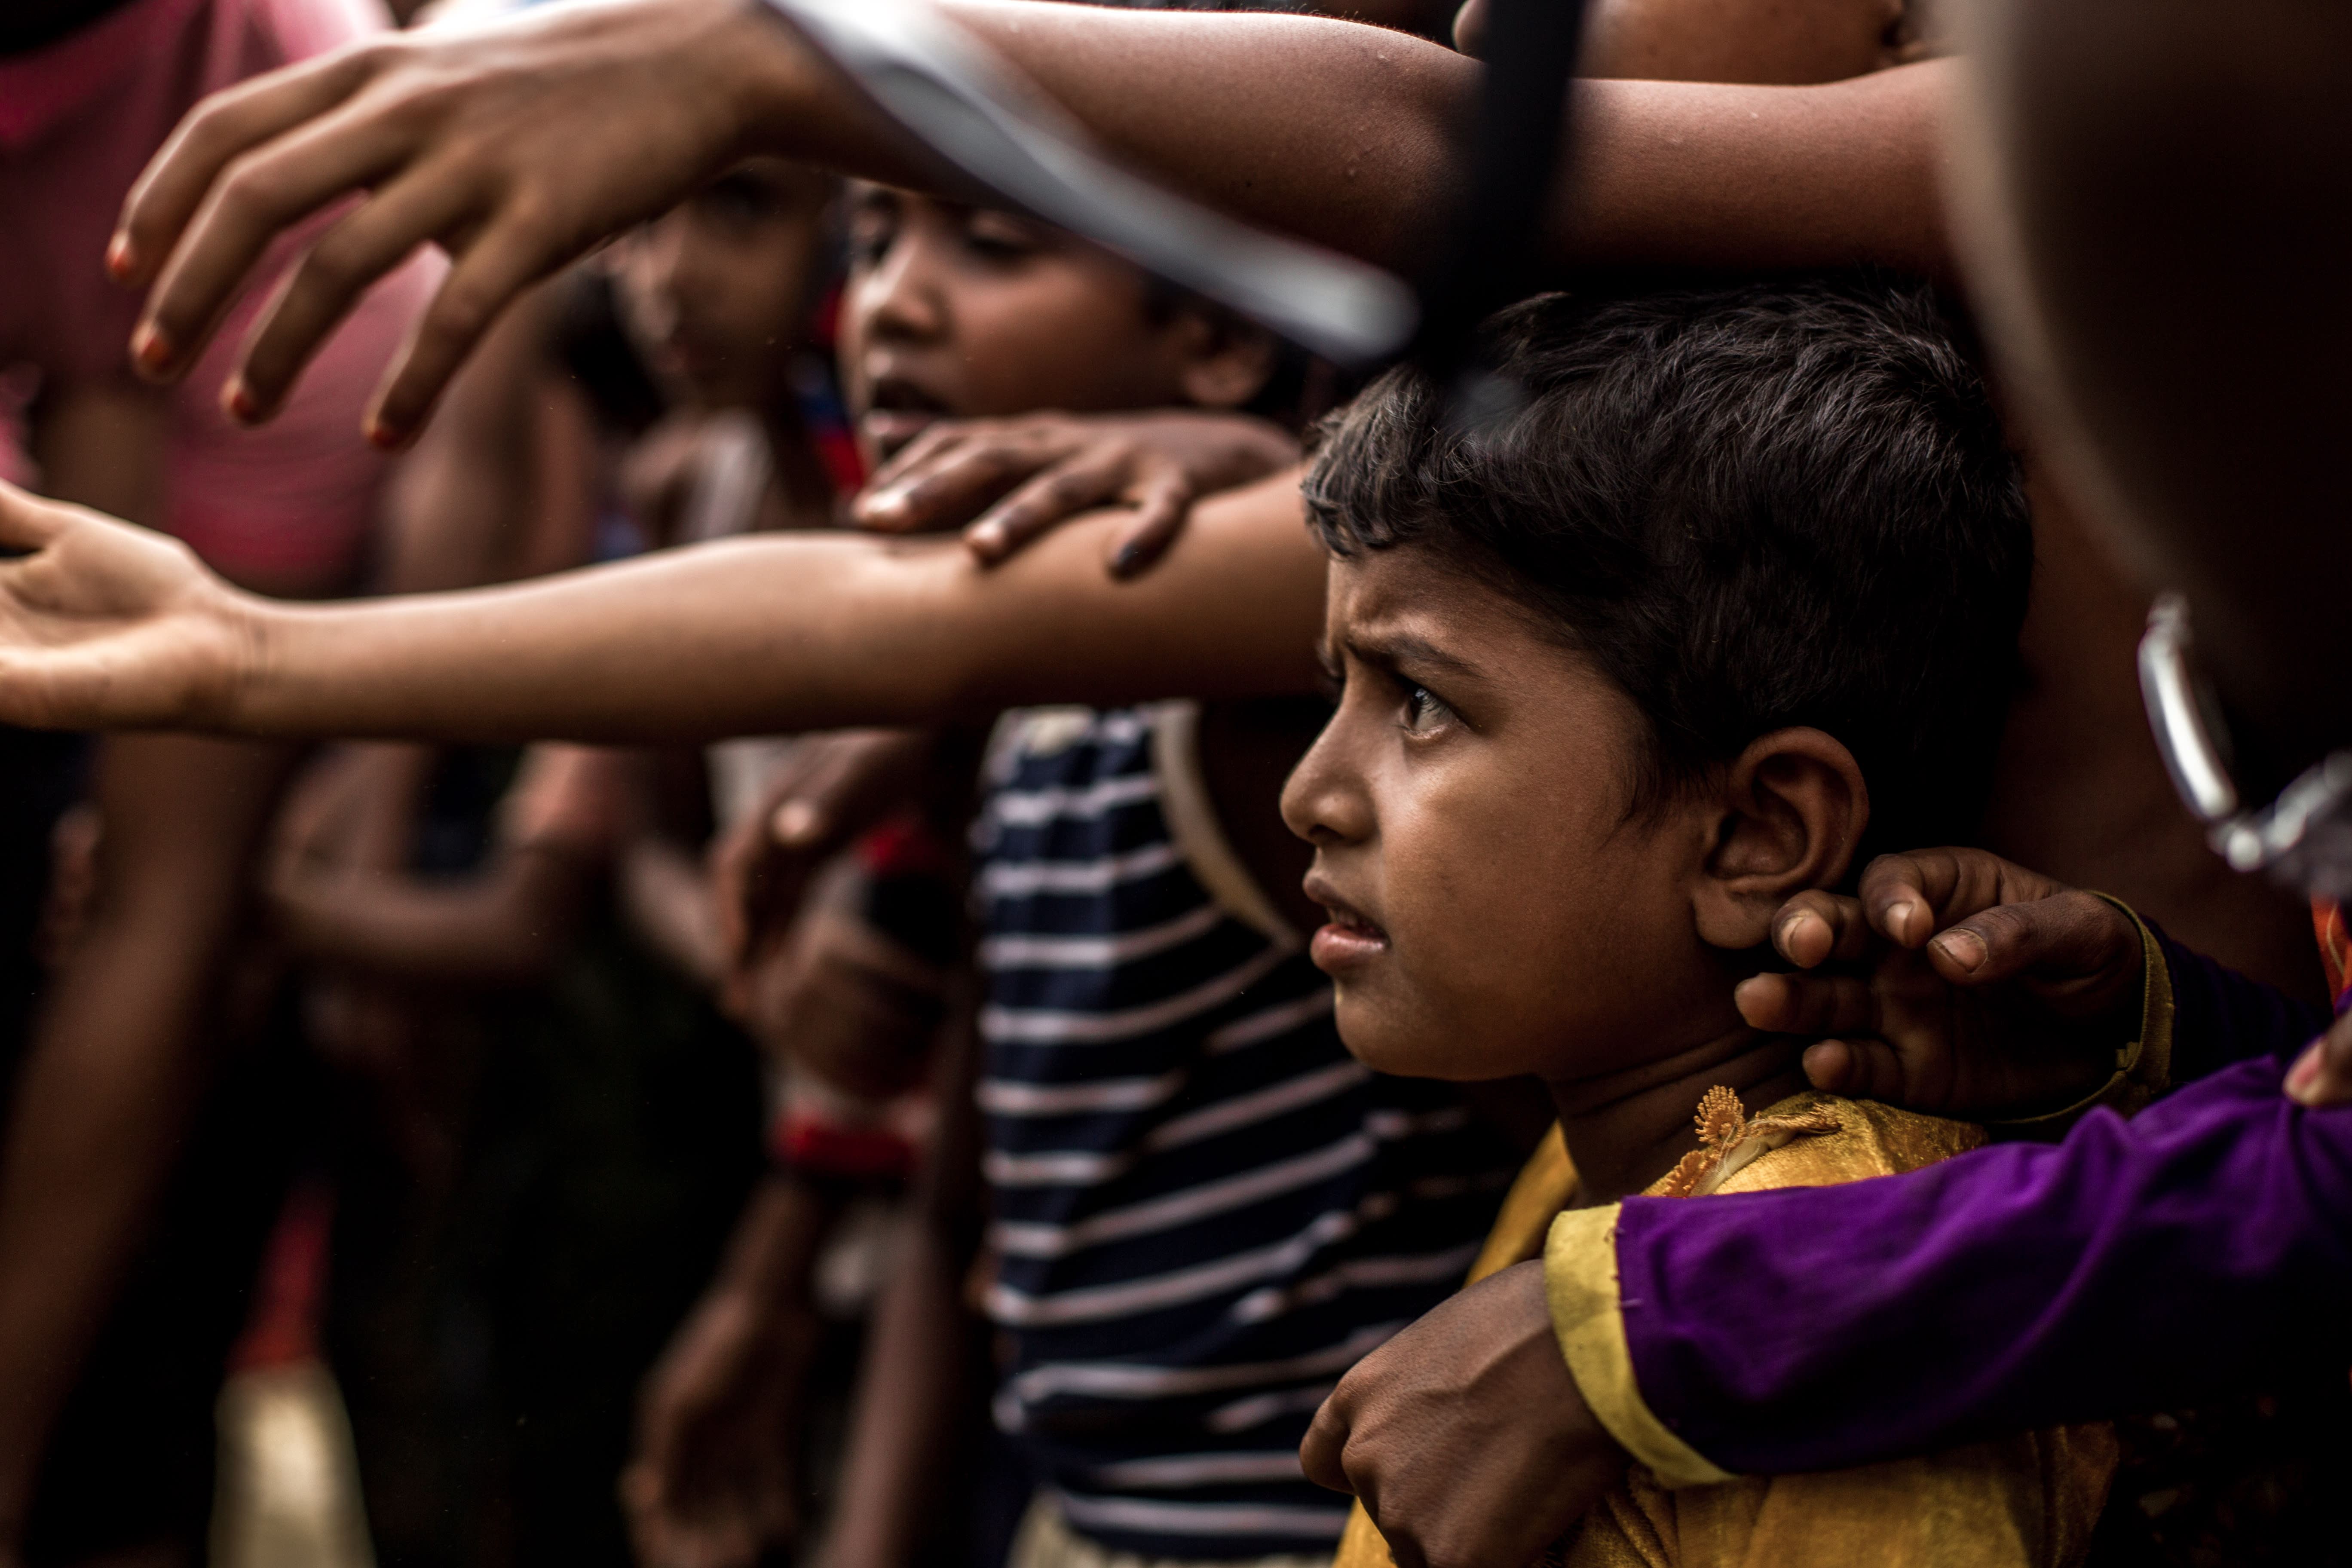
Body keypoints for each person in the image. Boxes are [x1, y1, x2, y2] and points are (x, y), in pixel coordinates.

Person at [13, 0, 2352, 1558]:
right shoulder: (1583, 644)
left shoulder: (2064, 169)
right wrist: (2167, 1033)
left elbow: (1425, 176)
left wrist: (781, 63)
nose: (1506, 44)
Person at [1285, 273, 2127, 1564]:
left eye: (1421, 703)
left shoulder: (1834, 1312)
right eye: (1335, 688)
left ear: (1756, 837)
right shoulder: (1598, 1155)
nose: (1310, 794)